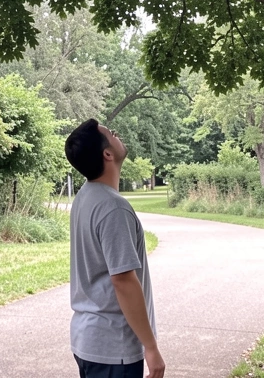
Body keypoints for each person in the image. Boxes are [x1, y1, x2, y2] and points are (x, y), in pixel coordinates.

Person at [64, 118, 165, 378]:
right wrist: (151, 348)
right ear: (107, 154)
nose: (118, 135)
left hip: (89, 340)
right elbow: (122, 280)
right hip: (113, 348)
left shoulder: (85, 196)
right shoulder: (113, 208)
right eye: (113, 134)